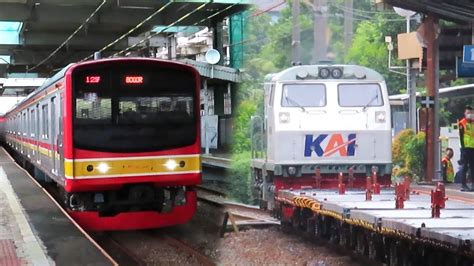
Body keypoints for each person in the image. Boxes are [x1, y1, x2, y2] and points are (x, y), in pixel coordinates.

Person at [458, 106, 474, 191]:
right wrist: (463, 148)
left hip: (473, 147)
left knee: (473, 166)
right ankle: (463, 185)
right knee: (464, 166)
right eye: (468, 113)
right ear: (465, 113)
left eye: (471, 113)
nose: (470, 114)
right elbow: (461, 136)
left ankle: (473, 184)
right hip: (465, 147)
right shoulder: (462, 123)